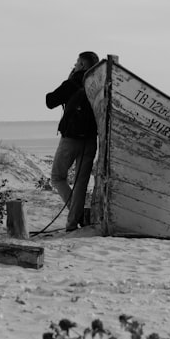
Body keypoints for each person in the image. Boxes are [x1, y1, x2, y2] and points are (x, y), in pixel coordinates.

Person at [46, 51, 100, 230]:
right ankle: (72, 223)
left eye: (77, 62)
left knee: (57, 177)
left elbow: (50, 101)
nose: (75, 65)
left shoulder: (74, 81)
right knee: (81, 183)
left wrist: (68, 80)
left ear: (83, 65)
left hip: (70, 139)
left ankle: (74, 216)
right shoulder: (100, 85)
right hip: (91, 140)